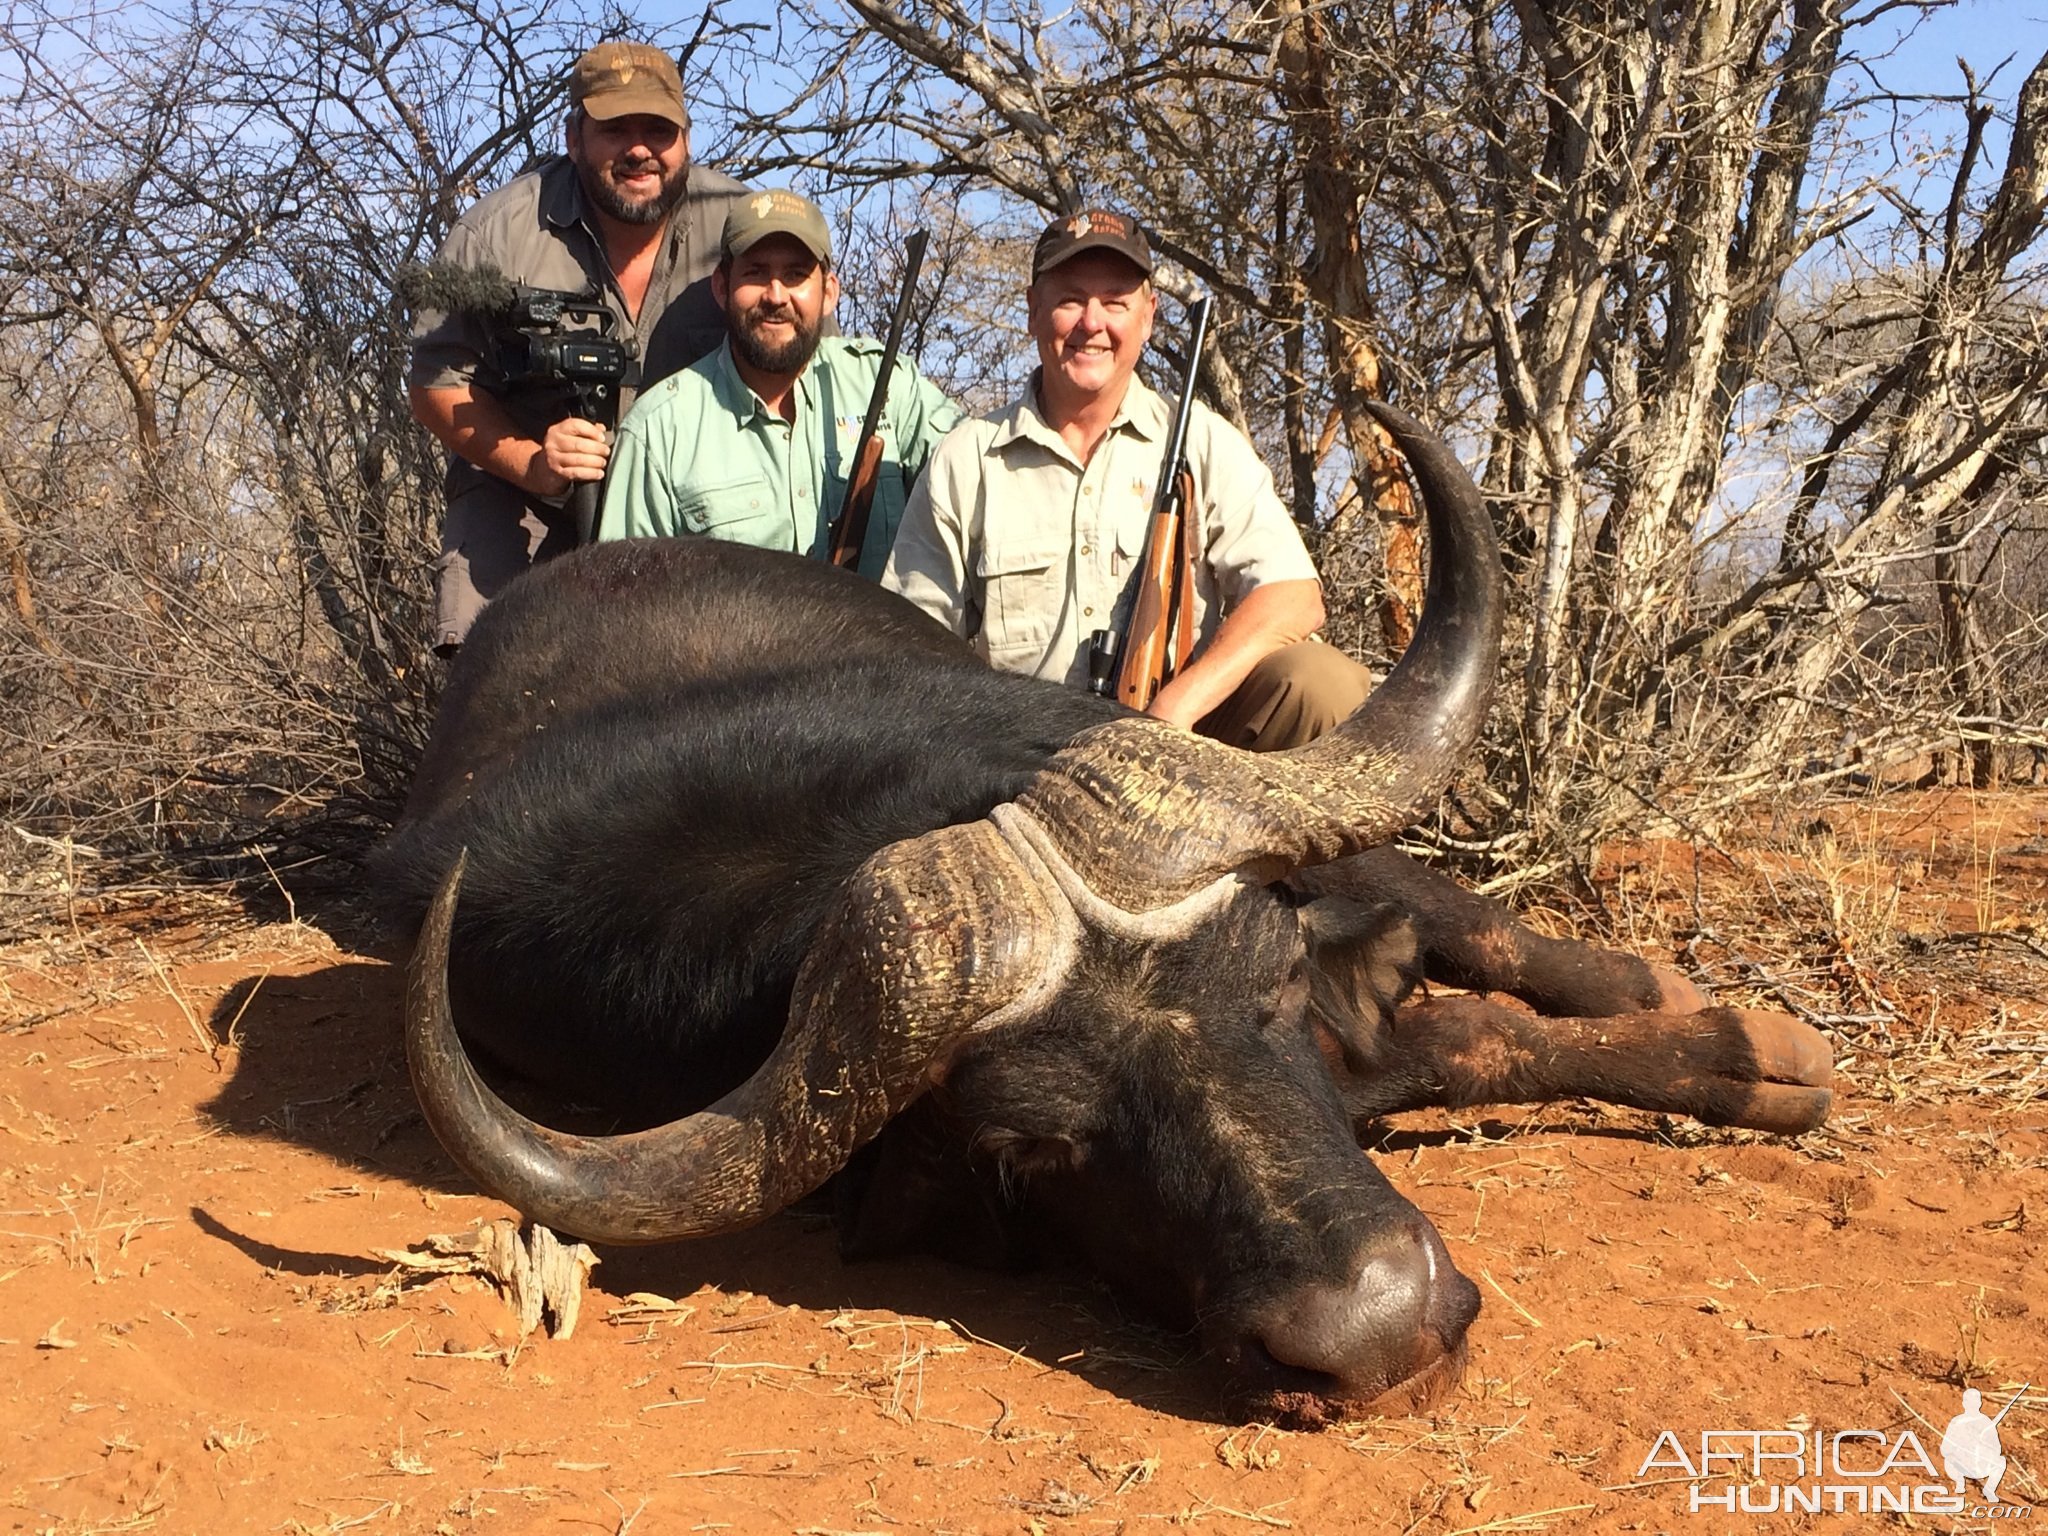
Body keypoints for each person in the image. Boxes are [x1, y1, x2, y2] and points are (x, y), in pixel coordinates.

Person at [882, 208, 1375, 752]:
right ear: (1032, 310)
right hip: (1021, 766)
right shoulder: (966, 458)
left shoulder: (1201, 441)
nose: (1092, 323)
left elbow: (1294, 597)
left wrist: (1174, 710)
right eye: (1070, 298)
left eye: (1116, 302)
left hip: (1184, 750)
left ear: (1148, 317)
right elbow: (908, 654)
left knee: (1323, 683)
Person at [408, 40, 752, 653]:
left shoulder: (743, 228)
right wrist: (534, 464)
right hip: (529, 507)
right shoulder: (496, 233)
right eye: (615, 128)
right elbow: (437, 386)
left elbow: (807, 366)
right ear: (574, 138)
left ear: (687, 138)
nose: (640, 149)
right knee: (502, 706)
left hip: (689, 509)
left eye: (658, 129)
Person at [600, 190, 960, 579]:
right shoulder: (658, 429)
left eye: (795, 274)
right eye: (755, 272)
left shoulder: (892, 387)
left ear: (829, 292)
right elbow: (622, 606)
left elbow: (980, 480)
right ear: (722, 288)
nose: (775, 295)